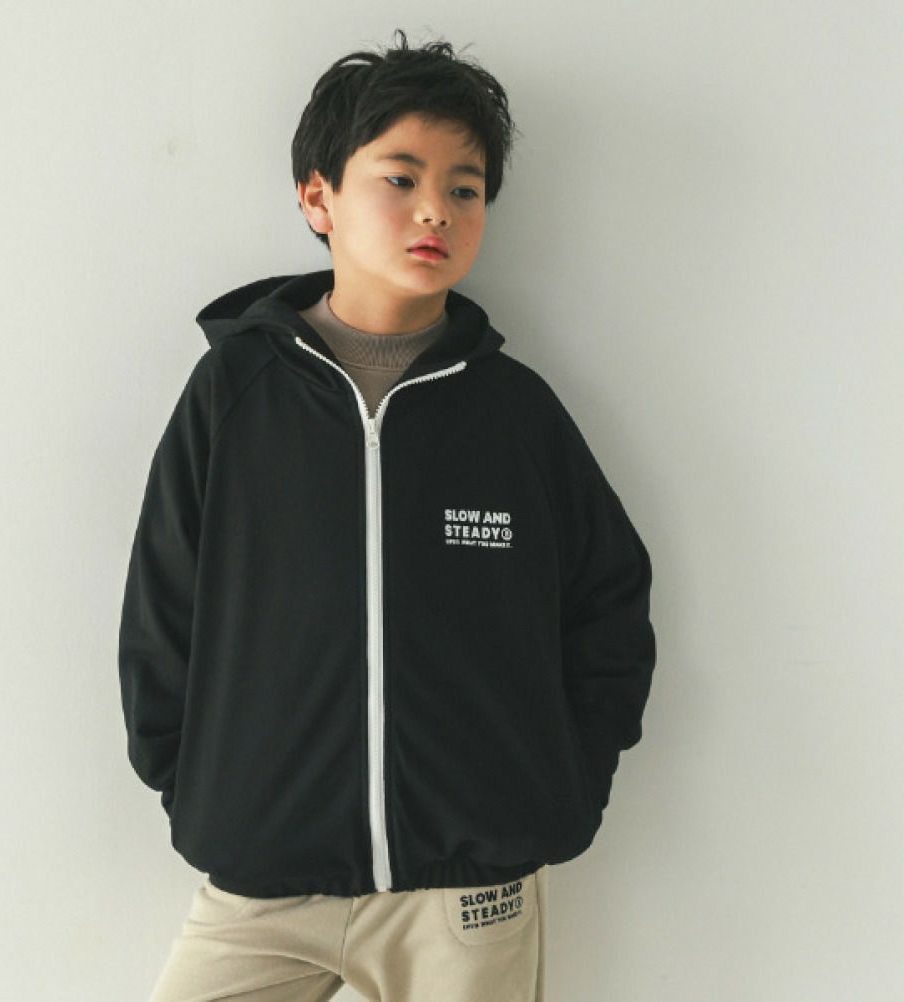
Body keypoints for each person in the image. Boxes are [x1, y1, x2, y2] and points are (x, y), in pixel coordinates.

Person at [118, 27, 656, 1002]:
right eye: (400, 178)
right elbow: (163, 605)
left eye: (465, 188)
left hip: (465, 892)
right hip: (263, 876)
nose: (435, 210)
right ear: (318, 197)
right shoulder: (235, 395)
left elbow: (609, 598)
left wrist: (558, 789)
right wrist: (195, 787)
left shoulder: (514, 413)